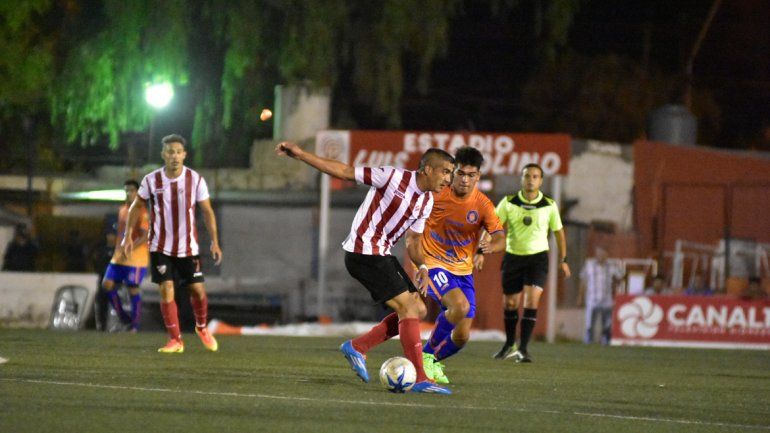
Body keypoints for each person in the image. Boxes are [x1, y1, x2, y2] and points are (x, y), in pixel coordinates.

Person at [275, 140, 454, 394]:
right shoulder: (391, 176)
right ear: (427, 169)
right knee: (407, 307)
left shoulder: (426, 201)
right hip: (363, 251)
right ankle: (420, 378)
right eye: (445, 171)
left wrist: (422, 266)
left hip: (381, 253)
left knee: (419, 309)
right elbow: (345, 171)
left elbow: (413, 240)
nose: (448, 179)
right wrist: (302, 155)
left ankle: (357, 346)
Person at [123, 134, 222, 353]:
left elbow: (207, 211)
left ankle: (202, 327)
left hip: (188, 247)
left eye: (178, 152)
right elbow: (136, 207)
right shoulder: (152, 180)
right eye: (170, 152)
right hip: (160, 246)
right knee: (167, 289)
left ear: (184, 155)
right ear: (163, 155)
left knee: (197, 290)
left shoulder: (195, 180)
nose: (174, 156)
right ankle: (175, 340)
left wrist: (214, 242)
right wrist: (127, 235)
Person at [417, 147, 505, 384]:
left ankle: (432, 360)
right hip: (434, 264)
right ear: (453, 173)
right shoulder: (436, 194)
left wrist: (489, 248)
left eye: (471, 175)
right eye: (461, 174)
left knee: (462, 336)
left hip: (463, 271)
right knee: (460, 306)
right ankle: (424, 357)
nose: (465, 180)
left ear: (478, 176)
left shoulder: (483, 205)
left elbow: (500, 237)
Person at [492, 163, 570, 362]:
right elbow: (493, 225)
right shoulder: (508, 202)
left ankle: (523, 349)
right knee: (510, 303)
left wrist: (564, 260)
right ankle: (510, 344)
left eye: (535, 176)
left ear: (541, 181)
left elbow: (559, 233)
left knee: (531, 300)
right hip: (513, 257)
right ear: (521, 179)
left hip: (538, 258)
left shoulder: (549, 205)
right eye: (527, 176)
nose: (531, 179)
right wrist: (483, 247)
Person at [102, 180, 150, 332]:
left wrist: (130, 246)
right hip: (119, 256)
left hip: (136, 258)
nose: (129, 194)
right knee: (107, 284)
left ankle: (134, 327)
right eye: (126, 191)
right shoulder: (122, 210)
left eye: (131, 190)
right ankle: (124, 318)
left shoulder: (142, 212)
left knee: (133, 289)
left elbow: (145, 235)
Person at [577, 246, 623, 345]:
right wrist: (580, 297)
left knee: (607, 322)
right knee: (590, 321)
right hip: (592, 298)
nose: (600, 256)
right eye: (598, 254)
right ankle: (589, 340)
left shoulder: (611, 266)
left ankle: (605, 340)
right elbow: (583, 281)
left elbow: (619, 278)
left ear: (606, 255)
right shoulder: (589, 265)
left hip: (607, 299)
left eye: (602, 254)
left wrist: (615, 289)